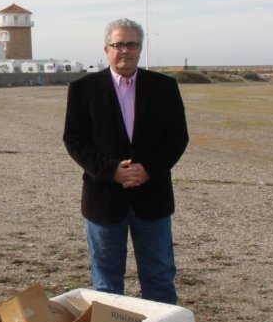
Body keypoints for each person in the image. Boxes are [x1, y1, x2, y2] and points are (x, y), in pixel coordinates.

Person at [62, 18, 189, 304]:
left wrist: (149, 170)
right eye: (119, 44)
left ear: (139, 49)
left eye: (131, 44)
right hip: (104, 200)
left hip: (152, 198)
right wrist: (111, 171)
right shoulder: (83, 89)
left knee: (159, 277)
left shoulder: (164, 87)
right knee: (106, 284)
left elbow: (178, 138)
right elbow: (74, 140)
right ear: (107, 49)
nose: (125, 50)